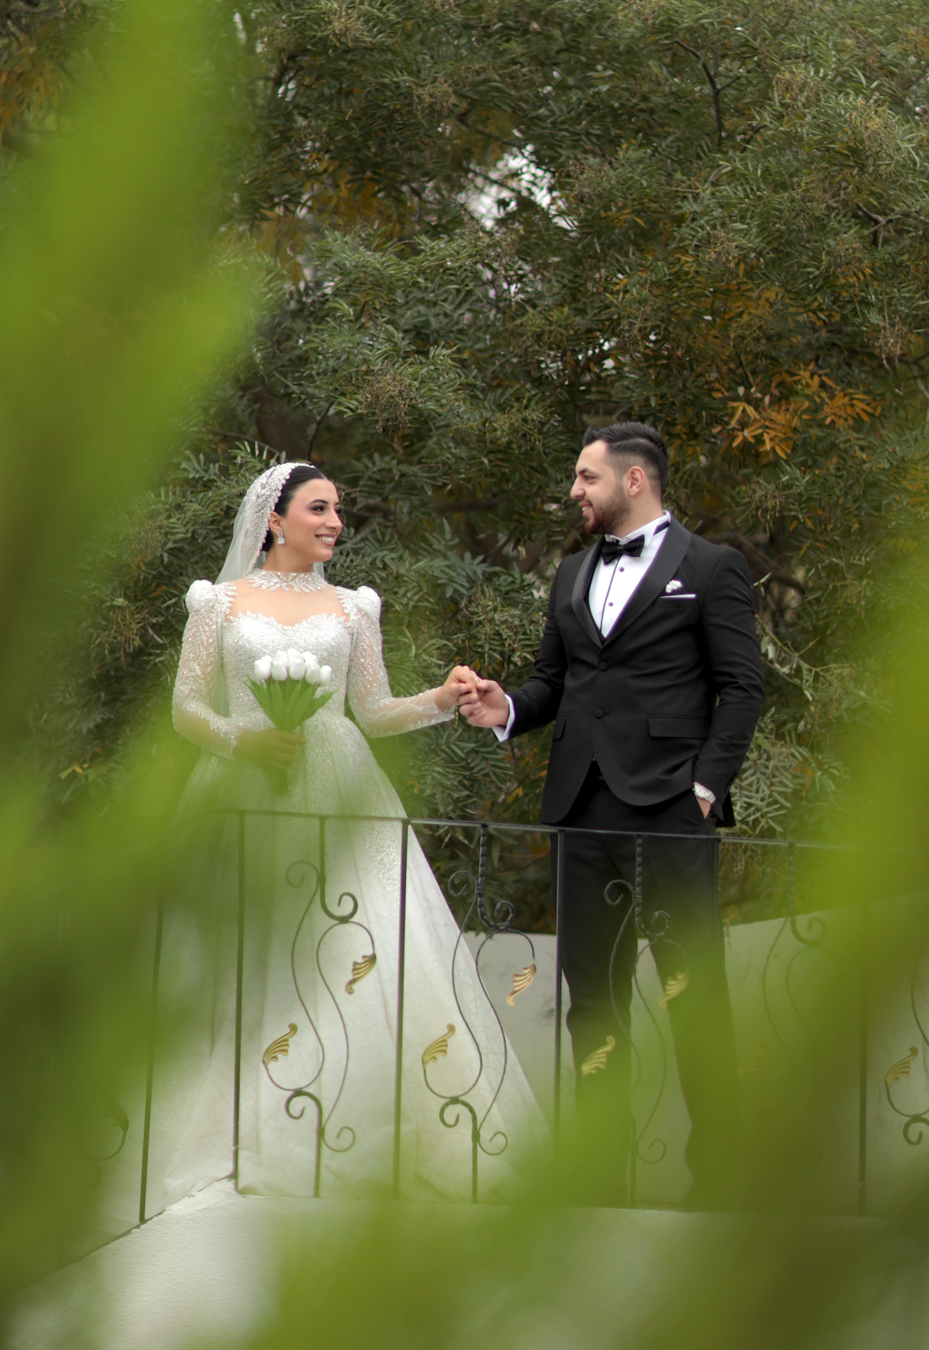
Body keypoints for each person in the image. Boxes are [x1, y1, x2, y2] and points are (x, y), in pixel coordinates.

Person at [147, 461, 544, 1209]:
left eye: (338, 510)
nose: (335, 522)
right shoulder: (218, 603)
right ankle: (242, 1139)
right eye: (319, 508)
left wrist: (440, 699)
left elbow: (375, 711)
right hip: (244, 787)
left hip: (344, 790)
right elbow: (186, 707)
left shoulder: (353, 608)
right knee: (249, 954)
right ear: (275, 519)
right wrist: (242, 742)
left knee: (354, 950)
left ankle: (355, 1136)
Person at [458, 423, 765, 1208]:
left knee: (693, 995)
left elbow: (743, 688)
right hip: (580, 810)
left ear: (634, 480)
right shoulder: (569, 573)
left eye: (586, 477)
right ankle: (600, 1176)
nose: (575, 491)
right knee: (592, 999)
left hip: (670, 811)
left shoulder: (711, 567)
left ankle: (723, 1179)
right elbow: (551, 684)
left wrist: (704, 790)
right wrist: (504, 708)